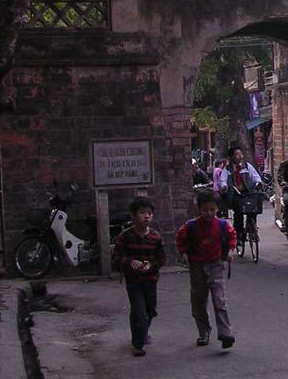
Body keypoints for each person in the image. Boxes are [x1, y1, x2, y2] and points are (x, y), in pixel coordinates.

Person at [175, 190, 238, 349]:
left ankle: (225, 333)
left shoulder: (223, 225)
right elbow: (180, 237)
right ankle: (203, 332)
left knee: (219, 301)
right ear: (199, 209)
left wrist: (231, 250)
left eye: (212, 209)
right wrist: (183, 253)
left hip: (216, 265)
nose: (208, 213)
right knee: (198, 302)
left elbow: (232, 237)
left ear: (217, 209)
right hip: (197, 268)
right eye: (205, 209)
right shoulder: (191, 226)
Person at [110, 197, 166, 357]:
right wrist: (129, 262)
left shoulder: (155, 237)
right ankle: (138, 344)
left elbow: (161, 258)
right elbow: (116, 257)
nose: (146, 216)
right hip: (134, 282)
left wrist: (151, 265)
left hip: (151, 281)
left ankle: (142, 330)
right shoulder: (125, 236)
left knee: (149, 310)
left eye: (149, 213)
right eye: (142, 213)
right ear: (133, 215)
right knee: (139, 312)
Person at [218, 146, 262, 238]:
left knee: (252, 209)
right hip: (235, 194)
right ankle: (239, 234)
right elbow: (222, 181)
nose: (240, 156)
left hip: (247, 192)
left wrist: (258, 183)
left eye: (241, 154)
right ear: (231, 157)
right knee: (238, 213)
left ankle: (251, 229)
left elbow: (255, 176)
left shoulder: (247, 166)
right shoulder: (227, 169)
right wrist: (224, 187)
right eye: (237, 155)